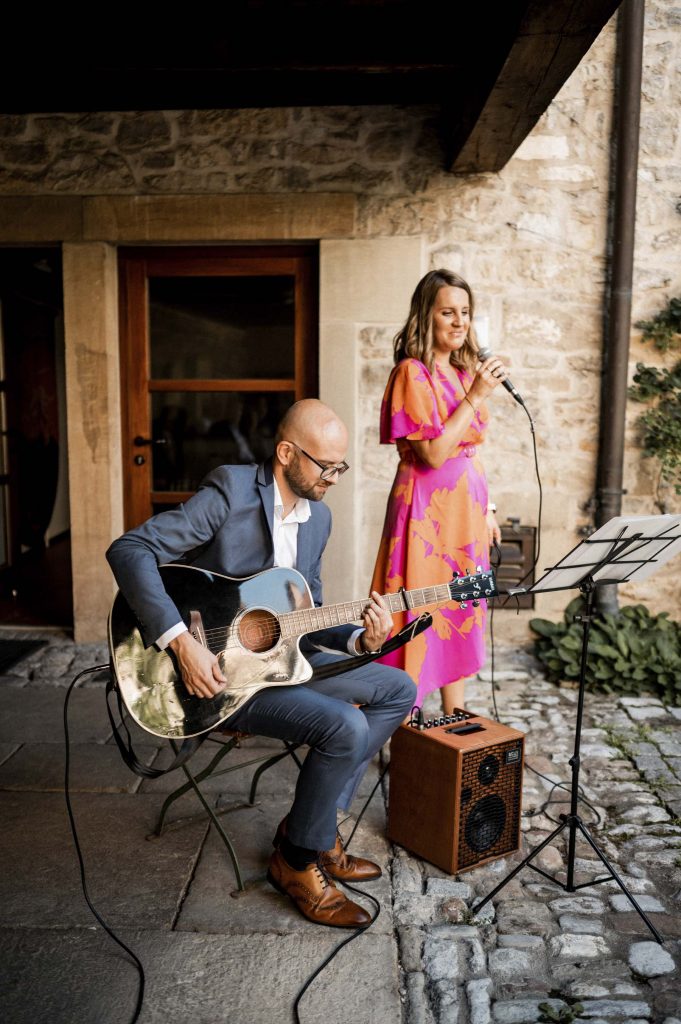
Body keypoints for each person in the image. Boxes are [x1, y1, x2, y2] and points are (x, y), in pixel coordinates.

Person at [107, 399, 416, 929]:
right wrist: (182, 643)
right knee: (343, 726)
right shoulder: (229, 492)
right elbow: (129, 549)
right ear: (286, 453)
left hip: (281, 663)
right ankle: (296, 861)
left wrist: (363, 640)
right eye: (328, 466)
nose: (335, 478)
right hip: (218, 677)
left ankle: (312, 827)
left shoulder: (318, 518)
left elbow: (307, 617)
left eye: (341, 467)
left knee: (398, 688)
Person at [370, 269, 508, 715]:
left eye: (465, 312)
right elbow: (432, 454)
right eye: (448, 312)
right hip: (426, 516)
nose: (459, 322)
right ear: (425, 316)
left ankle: (454, 722)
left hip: (465, 517)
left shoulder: (463, 371)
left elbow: (469, 450)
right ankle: (404, 722)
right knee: (419, 609)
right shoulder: (413, 373)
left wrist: (486, 507)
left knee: (462, 610)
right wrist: (477, 395)